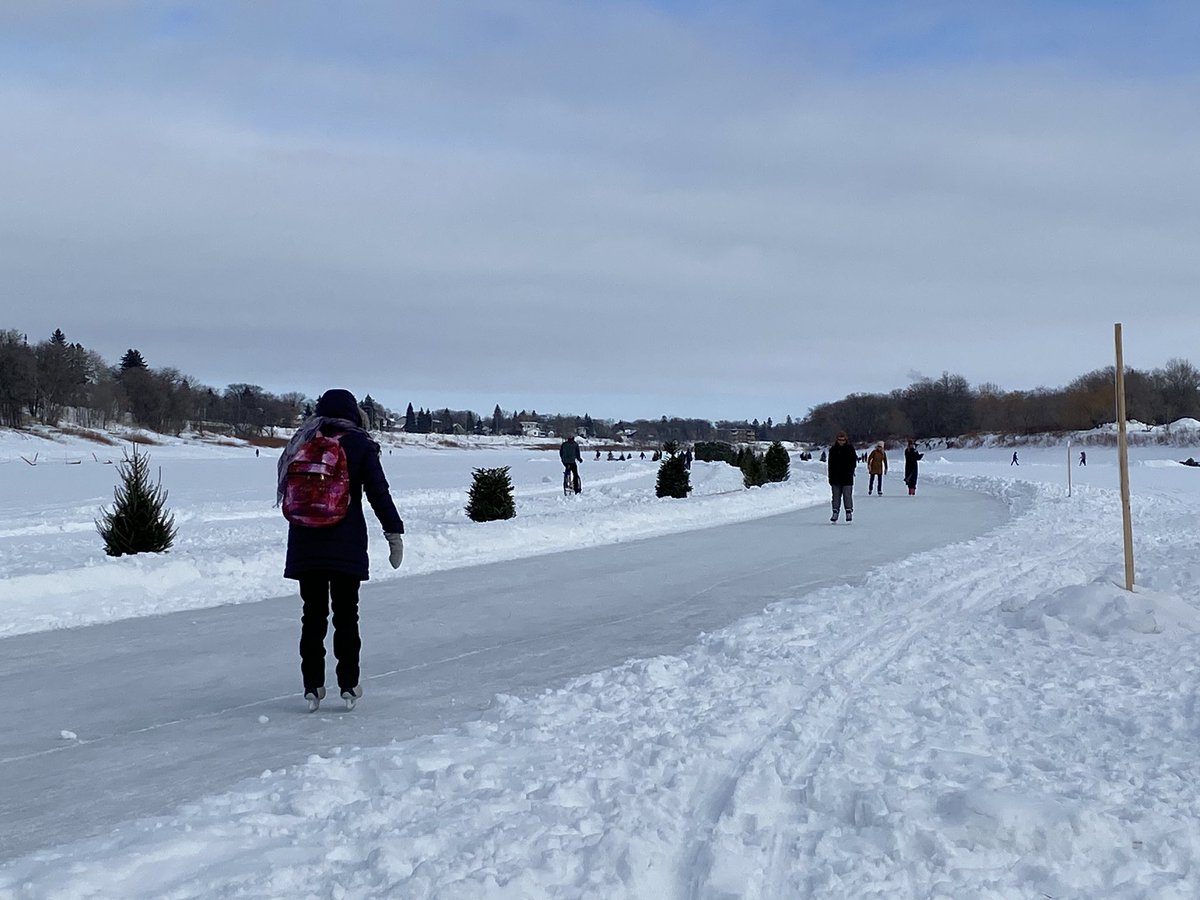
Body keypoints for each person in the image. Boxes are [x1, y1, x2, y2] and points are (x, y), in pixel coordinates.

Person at [278, 389, 404, 712]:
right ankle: (348, 685)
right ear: (353, 414)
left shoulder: (301, 442)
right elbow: (379, 492)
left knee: (313, 616)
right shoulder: (359, 444)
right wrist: (393, 531)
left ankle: (312, 687)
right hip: (345, 545)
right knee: (347, 615)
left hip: (306, 545)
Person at [827, 431, 857, 523]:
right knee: (836, 496)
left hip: (847, 477)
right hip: (835, 477)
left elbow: (853, 462)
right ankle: (835, 512)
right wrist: (830, 476)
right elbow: (830, 464)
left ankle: (848, 511)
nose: (841, 441)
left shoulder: (850, 449)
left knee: (847, 496)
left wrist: (851, 471)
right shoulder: (833, 450)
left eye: (843, 440)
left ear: (845, 440)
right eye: (839, 440)